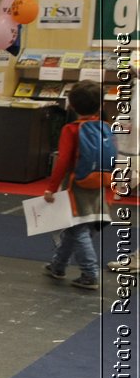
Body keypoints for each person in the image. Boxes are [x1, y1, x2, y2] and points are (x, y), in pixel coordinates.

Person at [42, 79, 112, 291]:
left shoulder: (71, 130)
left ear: (71, 105)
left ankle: (90, 274)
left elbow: (62, 162)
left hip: (76, 186)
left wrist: (51, 188)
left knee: (77, 229)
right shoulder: (105, 127)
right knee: (76, 229)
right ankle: (58, 265)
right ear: (100, 105)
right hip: (98, 185)